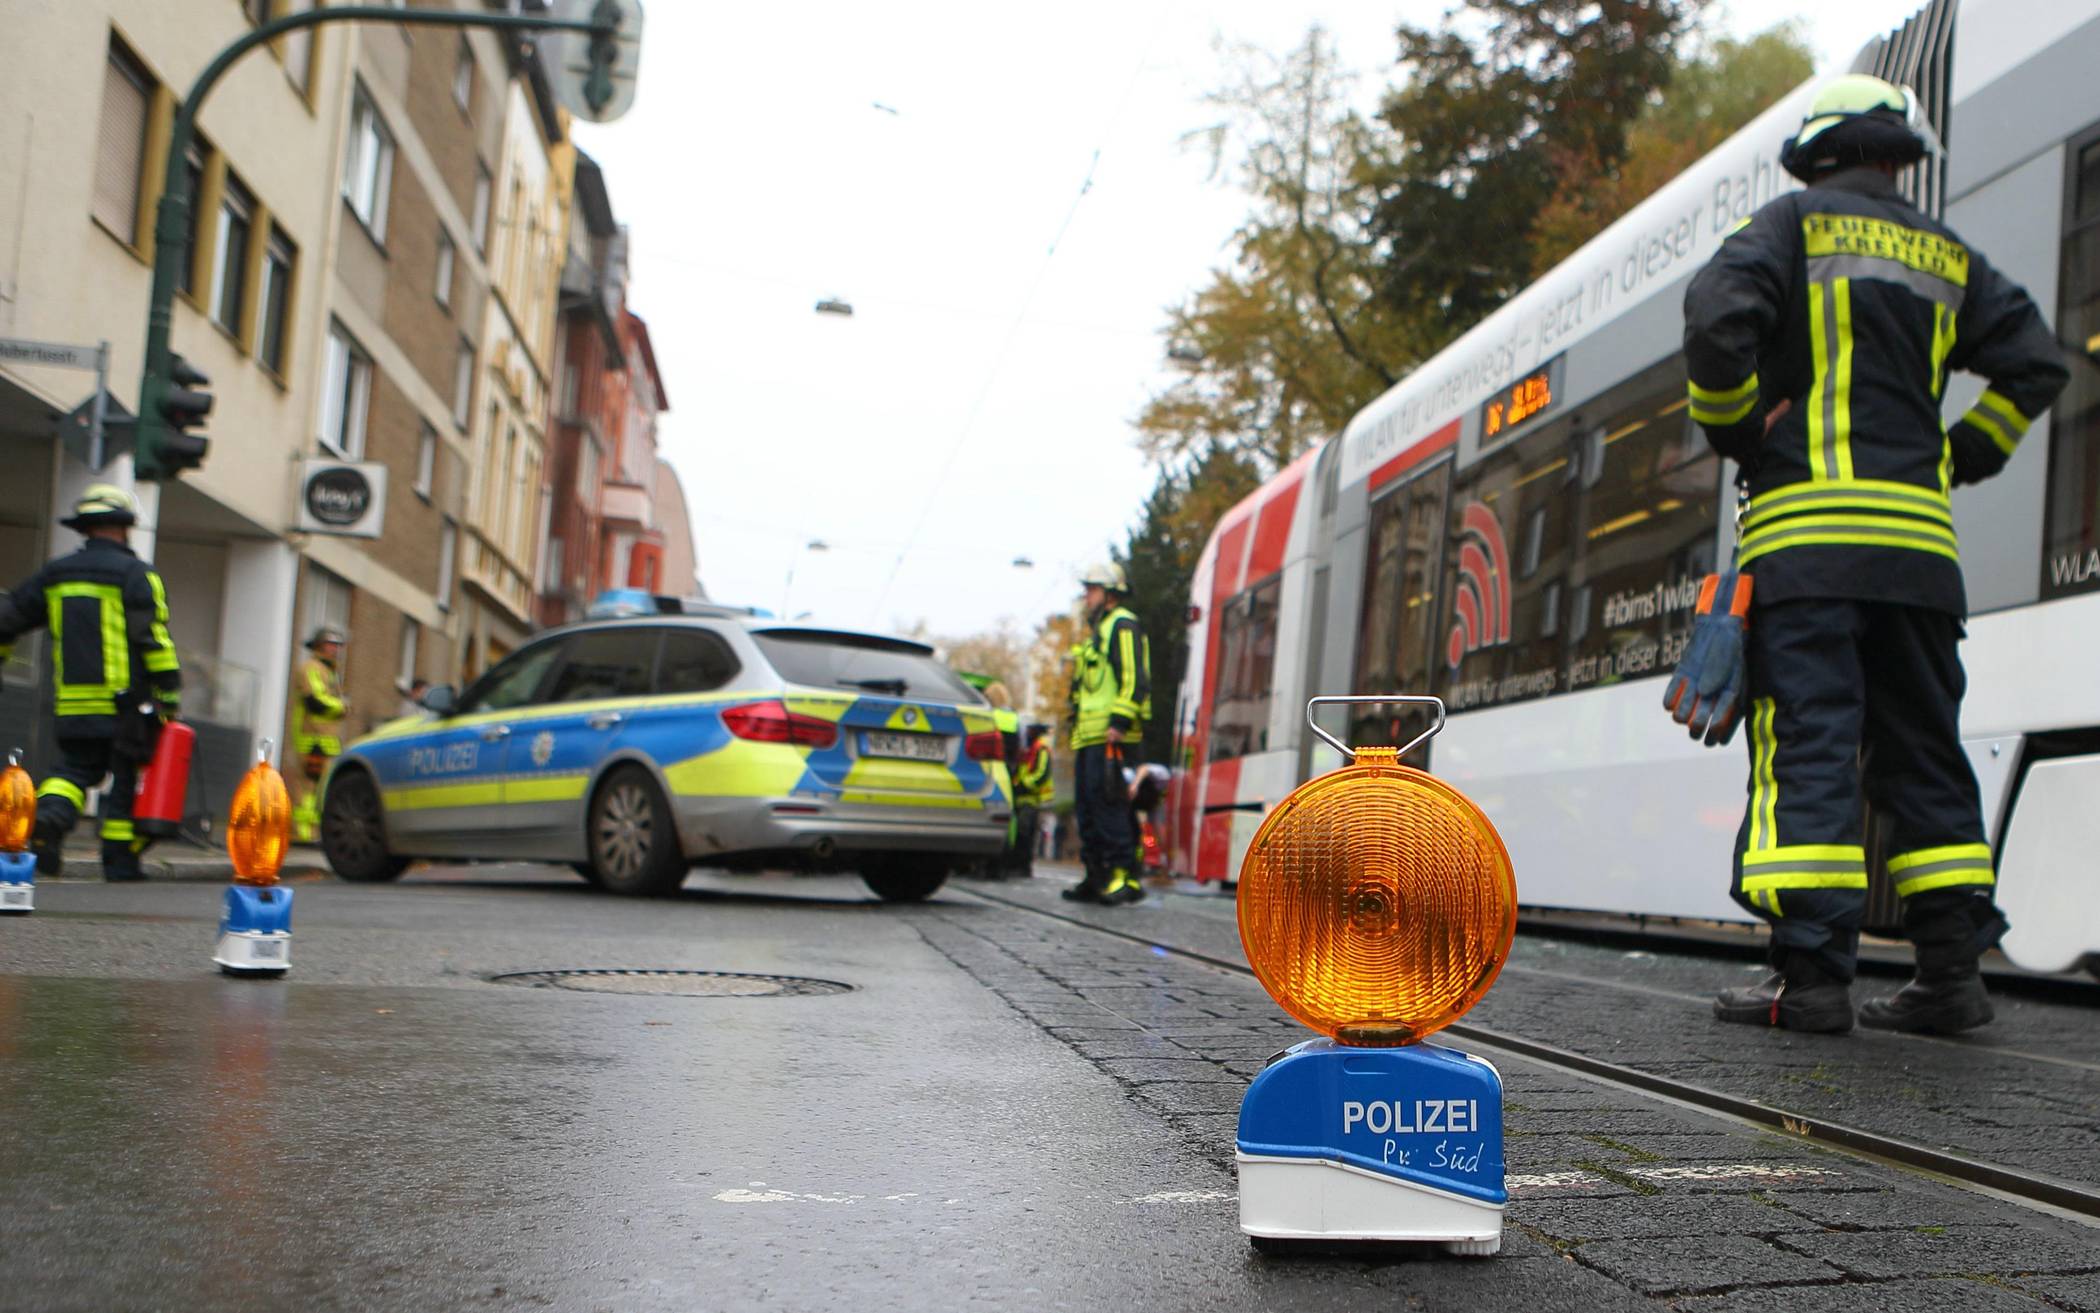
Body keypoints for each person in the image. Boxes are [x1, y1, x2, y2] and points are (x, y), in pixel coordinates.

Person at [1682, 75, 2069, 1034]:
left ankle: (1812, 980)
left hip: (1808, 551)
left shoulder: (1788, 228)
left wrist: (1740, 431)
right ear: (1897, 157)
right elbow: (2038, 363)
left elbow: (1716, 323)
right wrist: (1965, 451)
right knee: (1927, 754)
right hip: (1921, 561)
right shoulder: (1948, 254)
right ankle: (1951, 977)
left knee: (1810, 746)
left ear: (1816, 152)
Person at [0, 485, 181, 881]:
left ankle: (47, 821)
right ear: (125, 527)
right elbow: (153, 638)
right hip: (126, 706)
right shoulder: (138, 575)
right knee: (124, 781)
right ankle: (120, 864)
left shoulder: (56, 574)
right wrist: (169, 690)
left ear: (85, 527)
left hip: (73, 704)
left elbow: (8, 617)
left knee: (73, 771)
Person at [1062, 562, 1150, 906]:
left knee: (1110, 808)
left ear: (1110, 593)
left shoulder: (1122, 625)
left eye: (1092, 590)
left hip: (1112, 737)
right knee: (1088, 809)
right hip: (1089, 738)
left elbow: (1134, 679)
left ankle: (1122, 876)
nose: (1086, 596)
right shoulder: (1098, 631)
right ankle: (1096, 876)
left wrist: (1119, 722)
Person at [290, 626, 349, 845]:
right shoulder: (311, 668)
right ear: (318, 646)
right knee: (307, 789)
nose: (335, 649)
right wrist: (341, 707)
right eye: (330, 644)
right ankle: (302, 834)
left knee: (319, 790)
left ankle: (313, 833)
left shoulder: (329, 671)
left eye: (337, 645)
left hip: (325, 741)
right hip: (312, 739)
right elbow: (314, 700)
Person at [1010, 722, 1053, 878]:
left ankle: (1023, 865)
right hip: (1020, 798)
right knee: (1018, 833)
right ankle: (1016, 864)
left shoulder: (1041, 749)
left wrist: (1024, 785)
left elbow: (1042, 774)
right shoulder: (1026, 749)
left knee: (1025, 833)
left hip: (1031, 798)